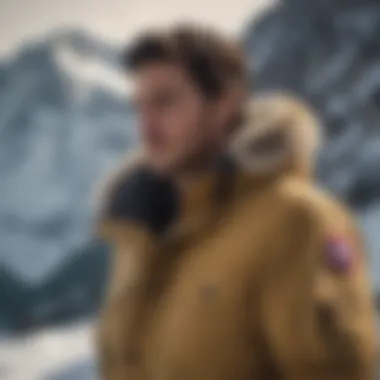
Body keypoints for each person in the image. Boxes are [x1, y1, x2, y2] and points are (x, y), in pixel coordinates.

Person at [95, 24, 376, 380]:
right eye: (140, 107)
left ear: (225, 103)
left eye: (166, 102)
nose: (146, 127)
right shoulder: (141, 232)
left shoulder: (295, 221)